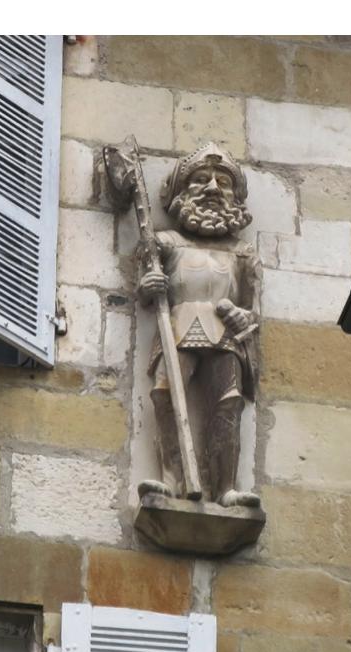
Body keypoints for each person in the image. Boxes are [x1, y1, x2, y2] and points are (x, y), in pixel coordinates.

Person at [136, 142, 262, 508]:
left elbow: (252, 309)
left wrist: (245, 316)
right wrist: (148, 286)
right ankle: (172, 478)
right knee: (164, 393)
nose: (212, 188)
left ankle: (225, 487)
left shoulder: (243, 253)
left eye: (223, 182)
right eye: (201, 180)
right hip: (178, 326)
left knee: (228, 402)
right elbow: (146, 287)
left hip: (225, 334)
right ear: (181, 191)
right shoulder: (166, 243)